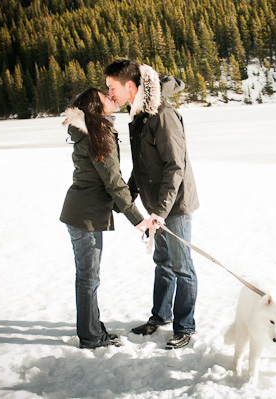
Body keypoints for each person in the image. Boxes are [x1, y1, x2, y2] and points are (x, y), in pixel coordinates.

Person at [104, 59, 200, 349]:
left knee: (182, 266)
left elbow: (175, 166)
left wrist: (161, 210)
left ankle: (185, 327)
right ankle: (160, 316)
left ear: (130, 86)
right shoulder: (140, 116)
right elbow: (143, 166)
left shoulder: (162, 115)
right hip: (156, 205)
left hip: (175, 205)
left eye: (112, 88)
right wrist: (124, 197)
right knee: (163, 262)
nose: (110, 94)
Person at [60, 87, 149, 349]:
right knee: (88, 278)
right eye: (105, 98)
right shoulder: (97, 135)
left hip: (82, 212)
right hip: (84, 216)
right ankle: (90, 337)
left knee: (87, 277)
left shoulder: (93, 131)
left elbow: (111, 182)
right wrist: (137, 218)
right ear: (94, 109)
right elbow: (113, 182)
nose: (112, 98)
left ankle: (92, 330)